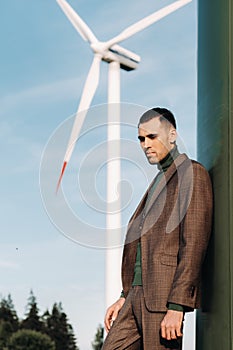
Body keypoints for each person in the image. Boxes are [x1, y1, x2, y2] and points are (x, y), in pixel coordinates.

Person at [102, 107, 213, 350]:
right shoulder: (157, 182)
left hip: (163, 297)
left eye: (152, 137)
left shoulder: (192, 173)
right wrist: (124, 296)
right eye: (141, 139)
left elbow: (193, 244)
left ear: (172, 135)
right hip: (135, 295)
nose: (145, 145)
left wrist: (177, 306)